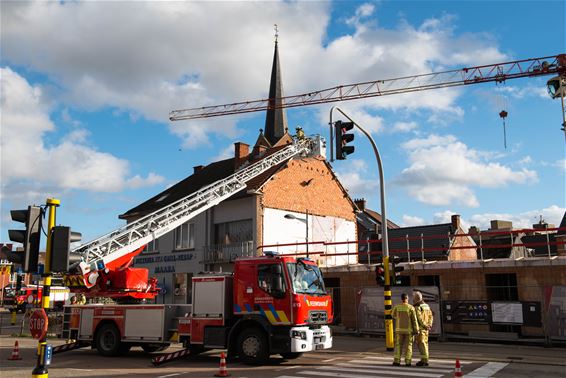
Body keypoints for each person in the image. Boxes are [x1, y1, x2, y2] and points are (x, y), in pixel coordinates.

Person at [391, 293, 419, 366]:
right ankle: (408, 362)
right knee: (408, 346)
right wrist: (416, 330)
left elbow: (393, 315)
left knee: (398, 345)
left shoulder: (397, 307)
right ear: (407, 298)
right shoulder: (411, 308)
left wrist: (399, 318)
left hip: (399, 330)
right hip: (408, 331)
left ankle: (397, 361)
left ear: (401, 299)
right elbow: (414, 320)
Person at [413, 291, 434, 366]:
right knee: (425, 344)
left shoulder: (417, 307)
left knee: (421, 344)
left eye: (413, 298)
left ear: (416, 298)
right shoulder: (427, 306)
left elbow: (419, 318)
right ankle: (425, 359)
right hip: (426, 329)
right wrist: (429, 325)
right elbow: (431, 316)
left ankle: (424, 360)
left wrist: (425, 325)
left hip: (421, 329)